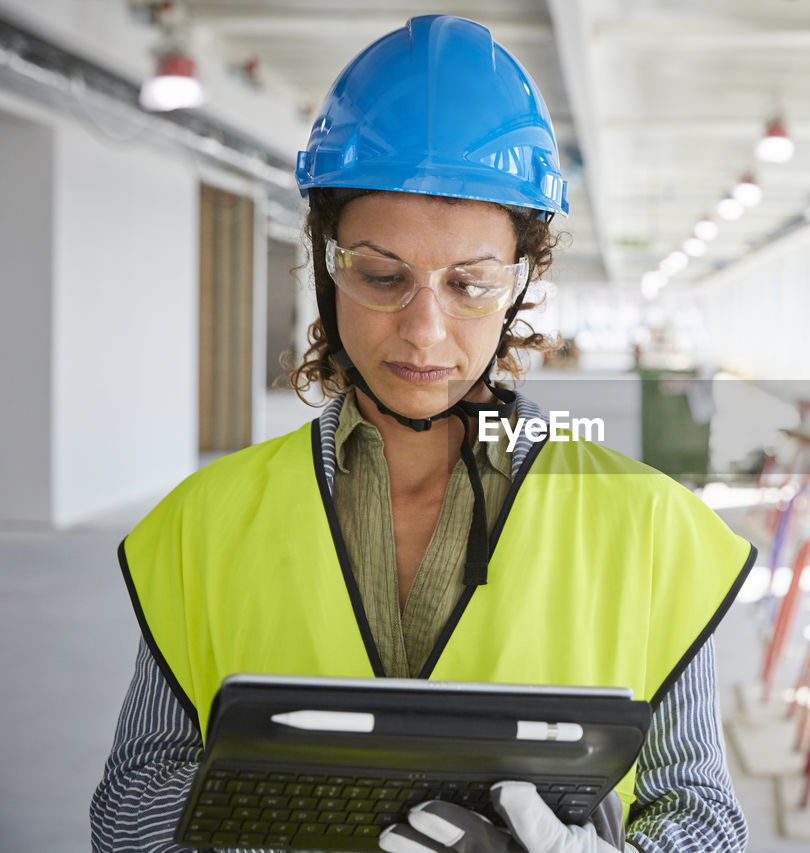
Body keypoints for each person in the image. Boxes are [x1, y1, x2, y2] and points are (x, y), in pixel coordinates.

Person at [90, 15, 755, 853]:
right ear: (326, 261)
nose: (424, 333)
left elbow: (702, 818)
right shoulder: (204, 523)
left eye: (470, 285)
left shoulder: (652, 527)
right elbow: (127, 810)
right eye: (381, 275)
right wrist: (275, 828)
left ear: (522, 278)